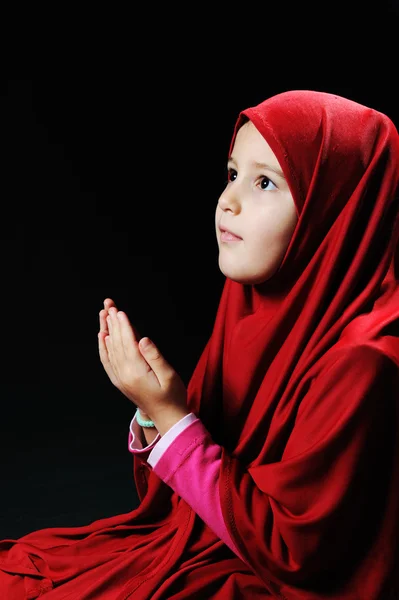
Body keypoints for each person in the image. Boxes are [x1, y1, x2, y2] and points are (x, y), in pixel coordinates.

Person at [1, 89, 399, 599]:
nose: (227, 201)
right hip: (229, 551)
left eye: (265, 183)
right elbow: (180, 503)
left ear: (335, 212)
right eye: (233, 174)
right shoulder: (254, 308)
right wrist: (153, 412)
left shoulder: (364, 361)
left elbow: (296, 557)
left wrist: (170, 416)